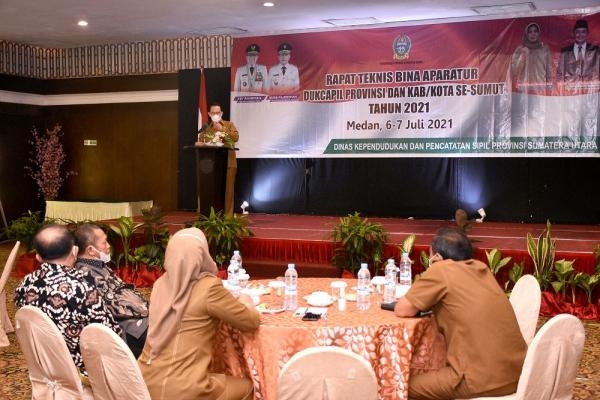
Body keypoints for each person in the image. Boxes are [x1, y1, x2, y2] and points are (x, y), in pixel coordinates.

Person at [394, 227, 527, 399]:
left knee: (400, 386)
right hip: (519, 373)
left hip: (479, 380)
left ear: (438, 257)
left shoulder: (441, 269)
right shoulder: (481, 268)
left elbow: (402, 309)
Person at [138, 227, 260, 400]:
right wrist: (247, 300)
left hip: (145, 382)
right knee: (247, 387)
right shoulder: (208, 287)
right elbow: (250, 321)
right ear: (202, 255)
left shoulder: (159, 284)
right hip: (185, 389)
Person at [14, 224, 121, 375]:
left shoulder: (24, 285)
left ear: (38, 257)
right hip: (82, 369)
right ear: (74, 251)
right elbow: (110, 335)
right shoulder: (83, 288)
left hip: (43, 363)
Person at [74, 223, 149, 358]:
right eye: (104, 243)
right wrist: (146, 308)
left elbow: (124, 291)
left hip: (134, 320)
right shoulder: (86, 274)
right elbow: (116, 308)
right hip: (125, 331)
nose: (108, 246)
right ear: (91, 250)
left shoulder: (97, 265)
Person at [556, 19, 600, 141]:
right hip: (571, 94)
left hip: (590, 93)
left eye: (583, 31)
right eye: (578, 32)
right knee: (571, 118)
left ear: (587, 33)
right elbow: (560, 74)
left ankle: (588, 146)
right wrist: (561, 93)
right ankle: (571, 146)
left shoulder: (596, 51)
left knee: (589, 118)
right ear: (574, 33)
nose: (580, 34)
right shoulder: (566, 51)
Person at [510, 22, 552, 138]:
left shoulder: (545, 49)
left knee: (540, 116)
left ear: (539, 33)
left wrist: (549, 87)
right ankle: (524, 141)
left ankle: (539, 140)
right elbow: (514, 71)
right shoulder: (520, 49)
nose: (533, 34)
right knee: (525, 116)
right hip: (525, 90)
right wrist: (523, 55)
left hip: (540, 89)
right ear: (526, 34)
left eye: (535, 31)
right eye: (530, 31)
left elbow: (549, 69)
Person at [198, 102, 239, 215]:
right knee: (210, 191)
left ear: (221, 113)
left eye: (218, 112)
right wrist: (200, 143)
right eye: (213, 113)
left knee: (228, 192)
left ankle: (227, 219)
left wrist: (222, 129)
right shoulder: (207, 128)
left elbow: (235, 138)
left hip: (228, 164)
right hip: (210, 168)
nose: (216, 114)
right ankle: (211, 217)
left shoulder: (229, 124)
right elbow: (201, 141)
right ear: (209, 114)